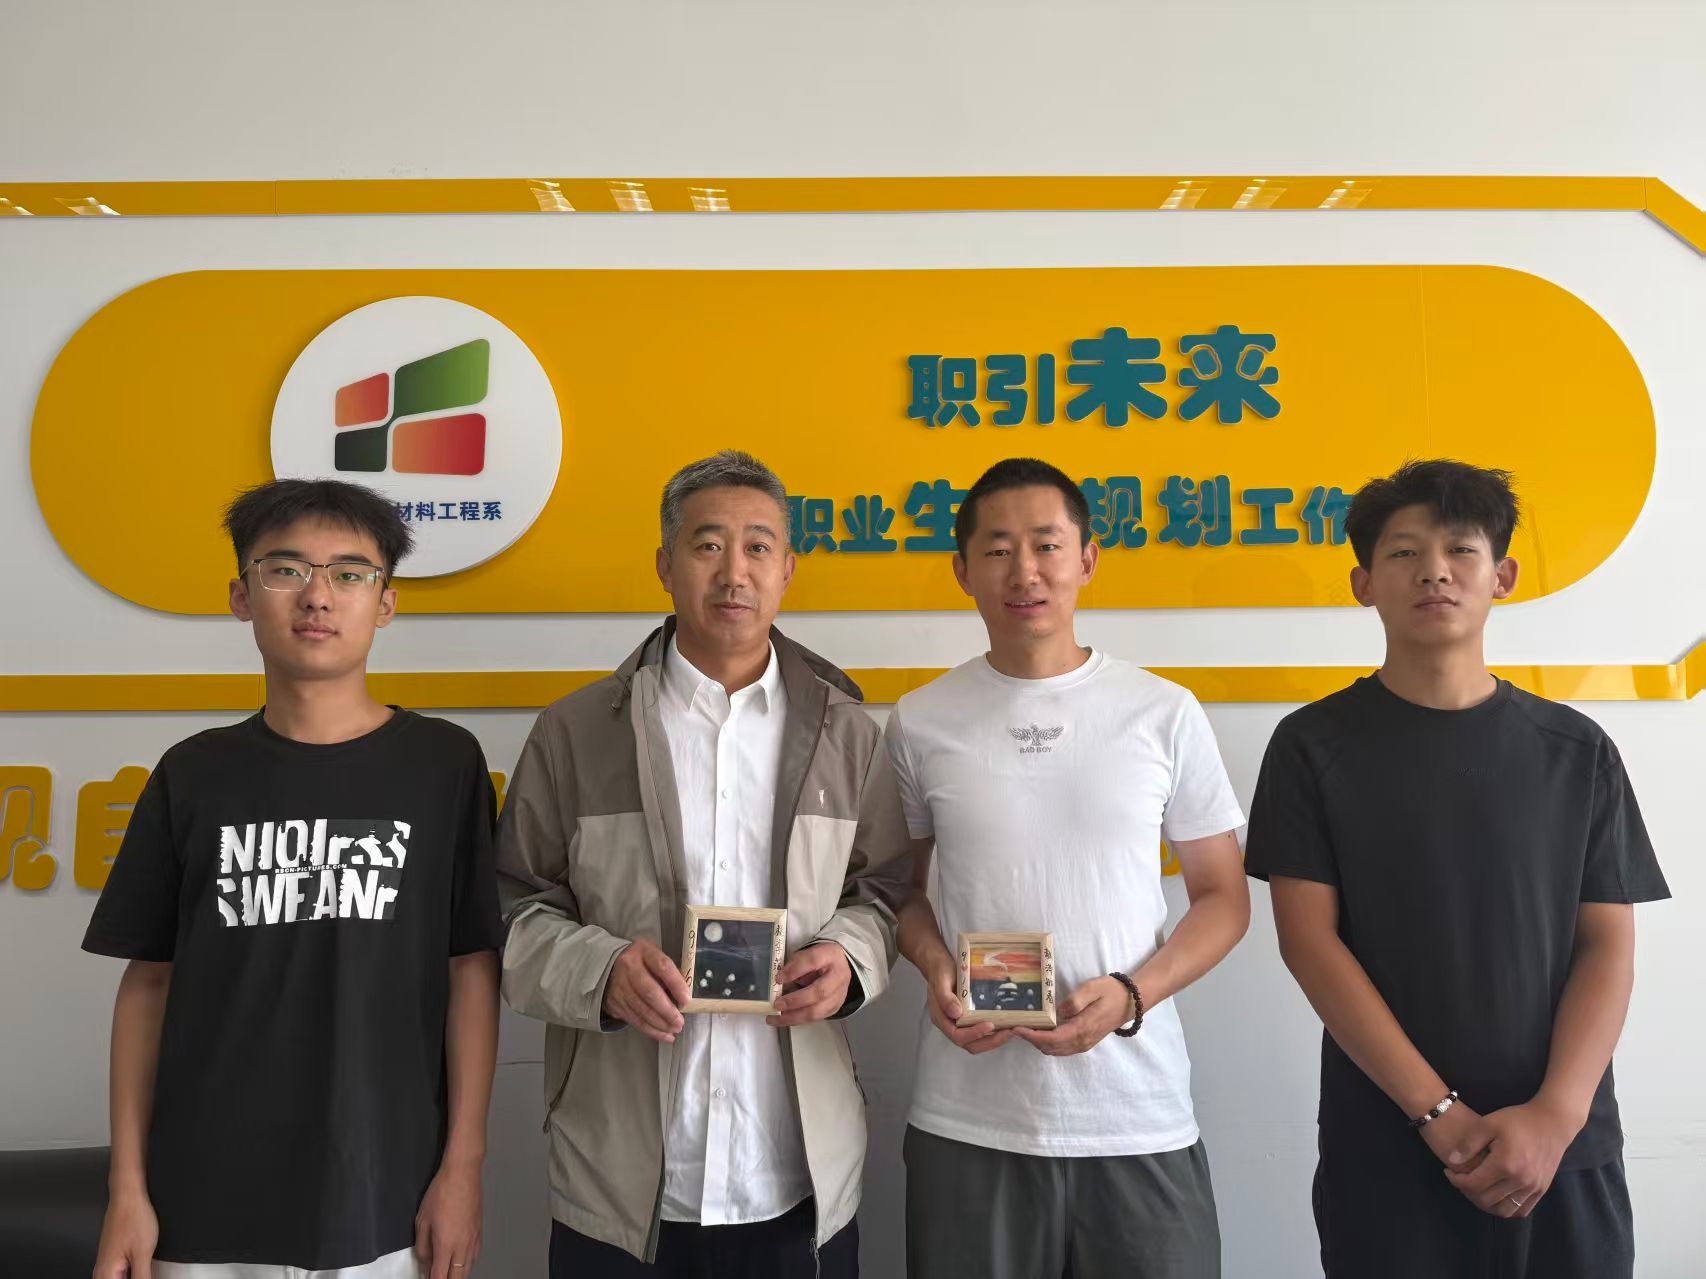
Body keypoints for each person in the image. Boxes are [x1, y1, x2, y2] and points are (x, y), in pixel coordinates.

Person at [1244, 458, 1669, 1278]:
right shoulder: (1311, 746)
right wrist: (1437, 1112)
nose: (1433, 571)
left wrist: (1556, 1115)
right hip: (1390, 1145)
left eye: (1460, 549)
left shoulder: (1576, 749)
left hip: (1563, 1148)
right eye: (1404, 552)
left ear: (1502, 576)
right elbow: (1310, 944)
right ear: (1363, 583)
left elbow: (1608, 945)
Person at [496, 449, 913, 1277]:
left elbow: (884, 892)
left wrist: (848, 959)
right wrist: (601, 970)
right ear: (664, 564)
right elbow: (511, 911)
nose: (734, 572)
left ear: (788, 570)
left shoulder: (848, 734)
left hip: (796, 1178)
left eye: (758, 547)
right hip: (620, 1191)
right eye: (708, 544)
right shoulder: (576, 733)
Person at [84, 478, 502, 1279]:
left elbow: (470, 971)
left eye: (350, 573)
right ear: (242, 596)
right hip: (201, 1201)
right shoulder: (193, 774)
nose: (318, 595)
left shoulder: (443, 765)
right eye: (286, 569)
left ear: (385, 603)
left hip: (384, 1197)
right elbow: (148, 985)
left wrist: (463, 1167)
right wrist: (126, 1189)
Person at [888, 457, 1250, 1279]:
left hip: (1136, 1112)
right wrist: (935, 966)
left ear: (1086, 559)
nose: (1025, 571)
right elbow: (900, 894)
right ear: (962, 570)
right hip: (970, 1115)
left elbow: (1223, 898)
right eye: (998, 549)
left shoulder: (1162, 711)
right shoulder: (919, 720)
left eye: (1047, 545)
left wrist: (1132, 995)